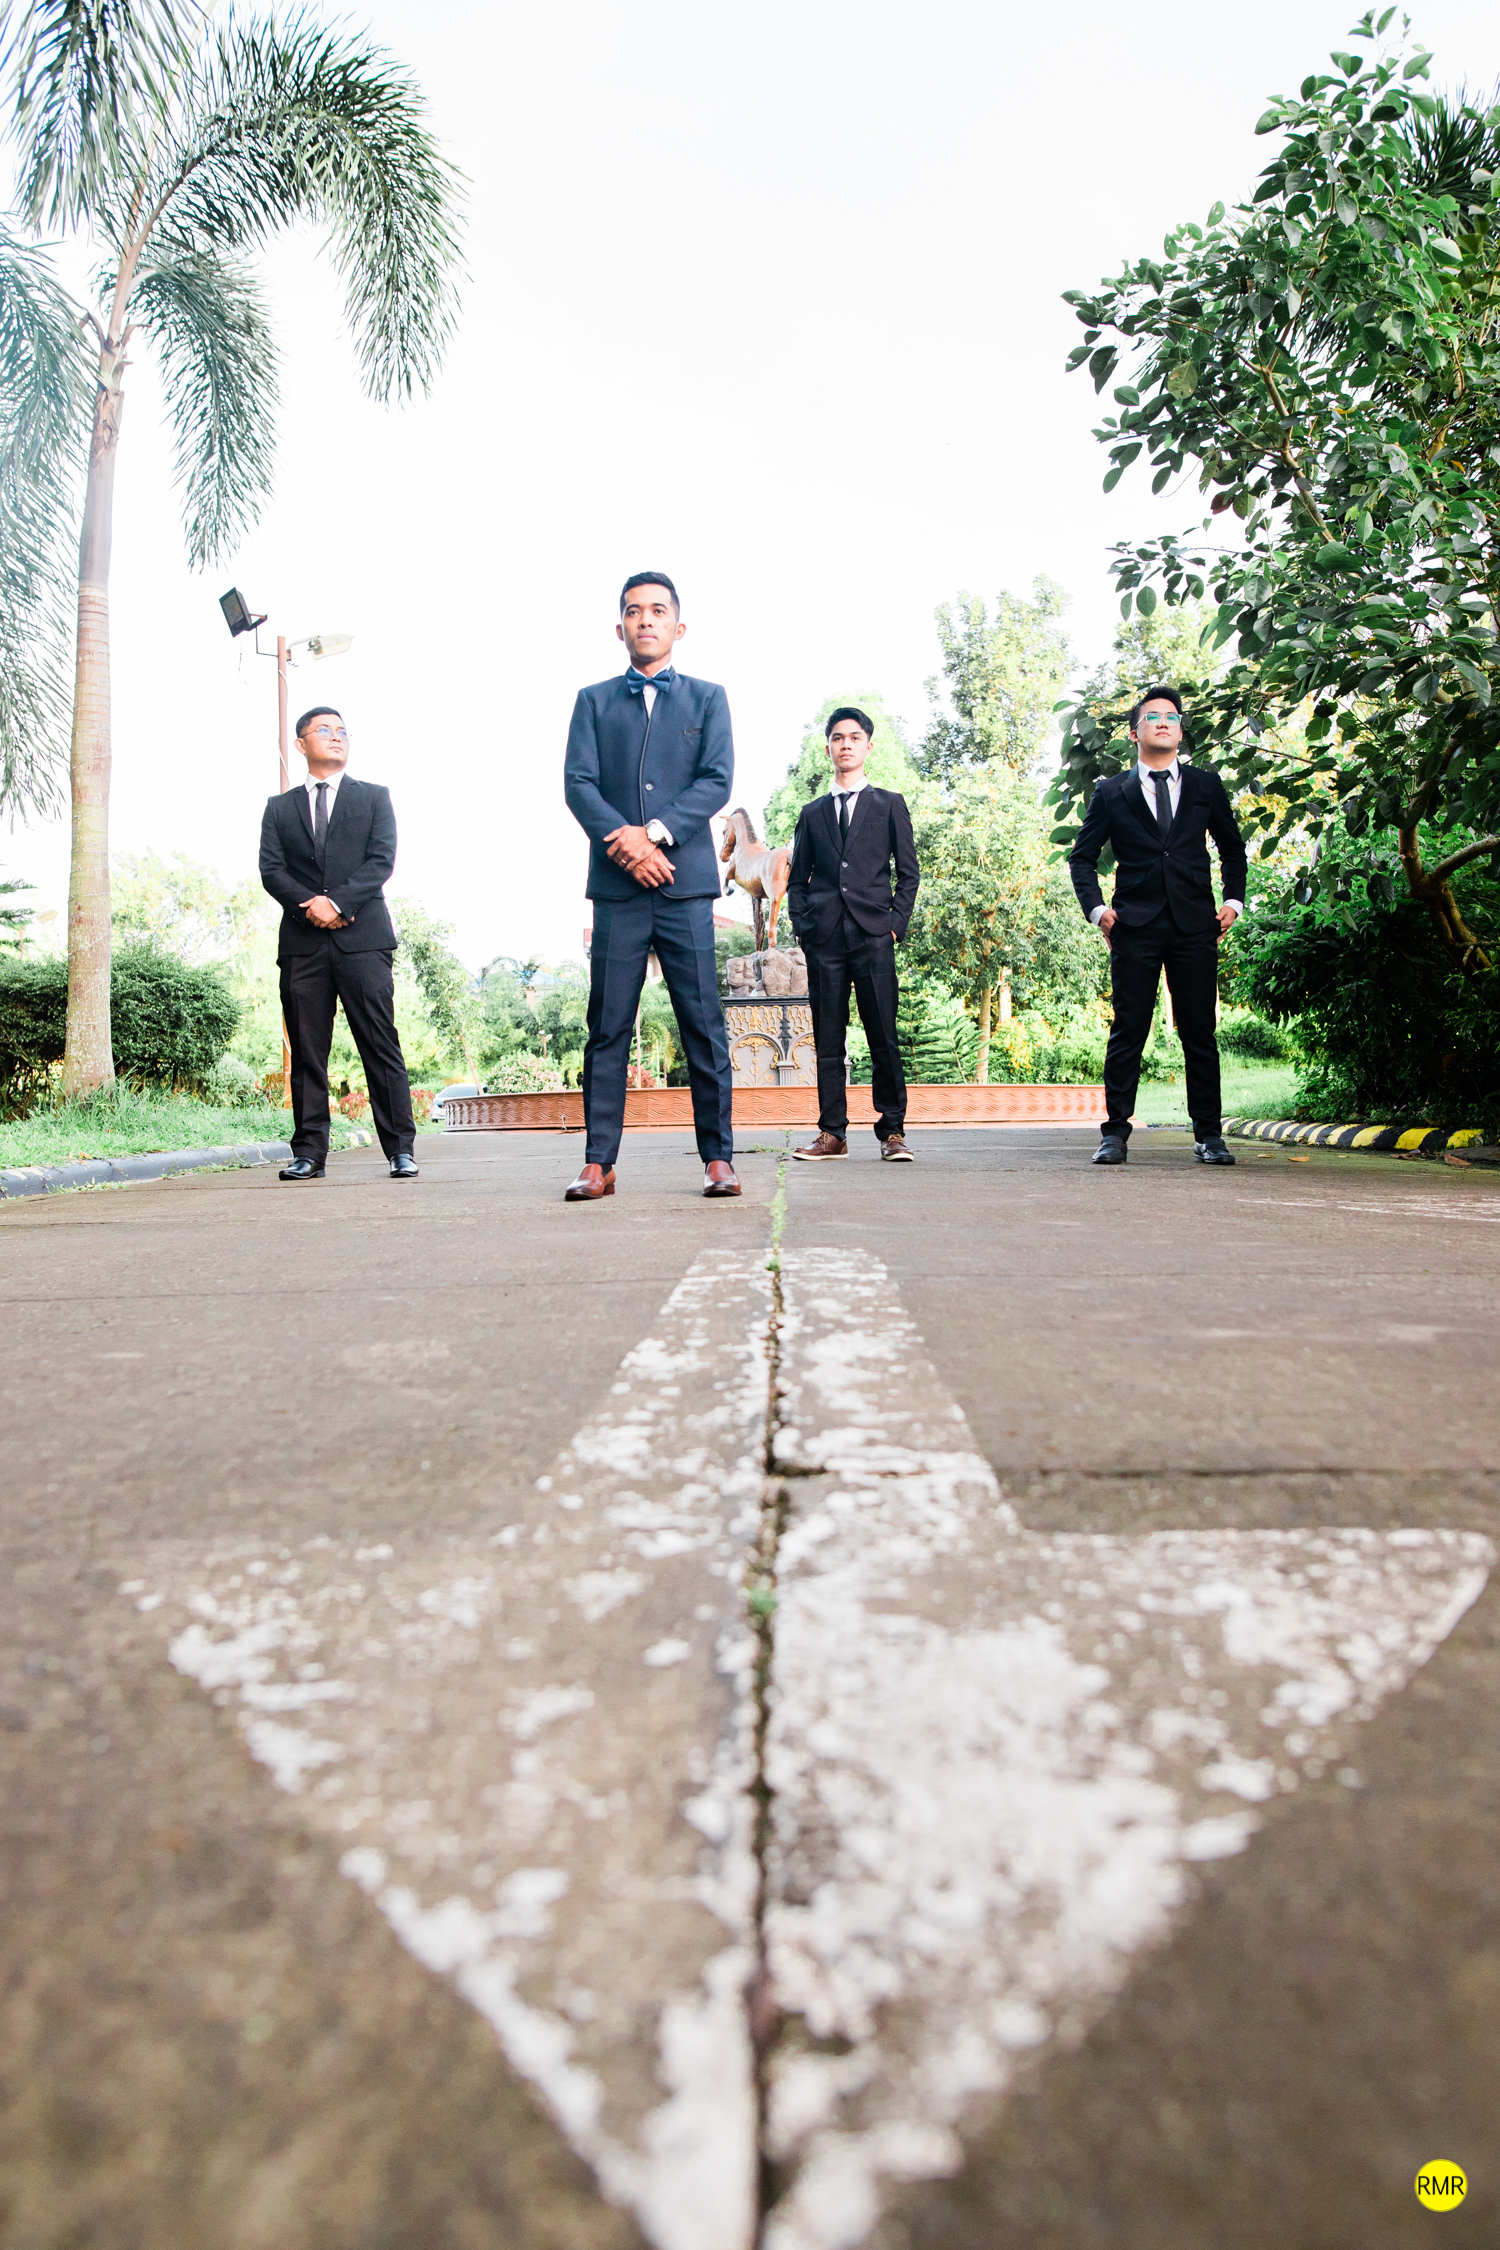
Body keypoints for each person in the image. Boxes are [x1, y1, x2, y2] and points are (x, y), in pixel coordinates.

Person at [562, 572, 739, 1202]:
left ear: (677, 626)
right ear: (620, 628)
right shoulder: (592, 701)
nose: (646, 620)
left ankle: (718, 1158)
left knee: (703, 1024)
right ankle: (598, 1163)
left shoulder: (708, 698)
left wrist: (656, 835)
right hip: (618, 890)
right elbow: (578, 784)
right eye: (634, 611)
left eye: (658, 611)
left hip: (684, 887)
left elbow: (716, 779)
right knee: (607, 1026)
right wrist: (627, 846)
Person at [1068, 685, 1247, 1167]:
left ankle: (1209, 1135)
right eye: (1152, 717)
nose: (1163, 722)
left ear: (1181, 731)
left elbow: (1233, 848)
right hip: (1134, 925)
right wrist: (1097, 909)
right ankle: (1114, 1134)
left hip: (1195, 924)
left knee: (1199, 1031)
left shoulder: (1206, 786)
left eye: (1171, 716)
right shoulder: (1111, 792)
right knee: (1129, 1028)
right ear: (1135, 733)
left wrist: (1233, 901)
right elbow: (1082, 858)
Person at [259, 707, 419, 1181]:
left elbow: (381, 860)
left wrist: (337, 903)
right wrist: (311, 906)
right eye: (324, 730)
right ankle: (309, 1153)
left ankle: (400, 1150)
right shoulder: (278, 808)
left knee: (380, 1045)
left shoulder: (373, 797)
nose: (336, 737)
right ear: (300, 744)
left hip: (363, 940)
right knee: (308, 1053)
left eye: (342, 731)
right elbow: (271, 870)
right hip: (303, 945)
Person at [786, 707, 919, 1163]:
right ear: (828, 748)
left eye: (854, 737)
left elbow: (909, 873)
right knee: (828, 1039)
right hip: (824, 939)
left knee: (883, 1035)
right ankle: (832, 1134)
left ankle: (893, 1132)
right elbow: (797, 880)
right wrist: (803, 927)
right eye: (838, 738)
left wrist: (895, 926)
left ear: (868, 746)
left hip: (874, 935)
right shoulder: (812, 813)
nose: (846, 744)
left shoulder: (889, 804)